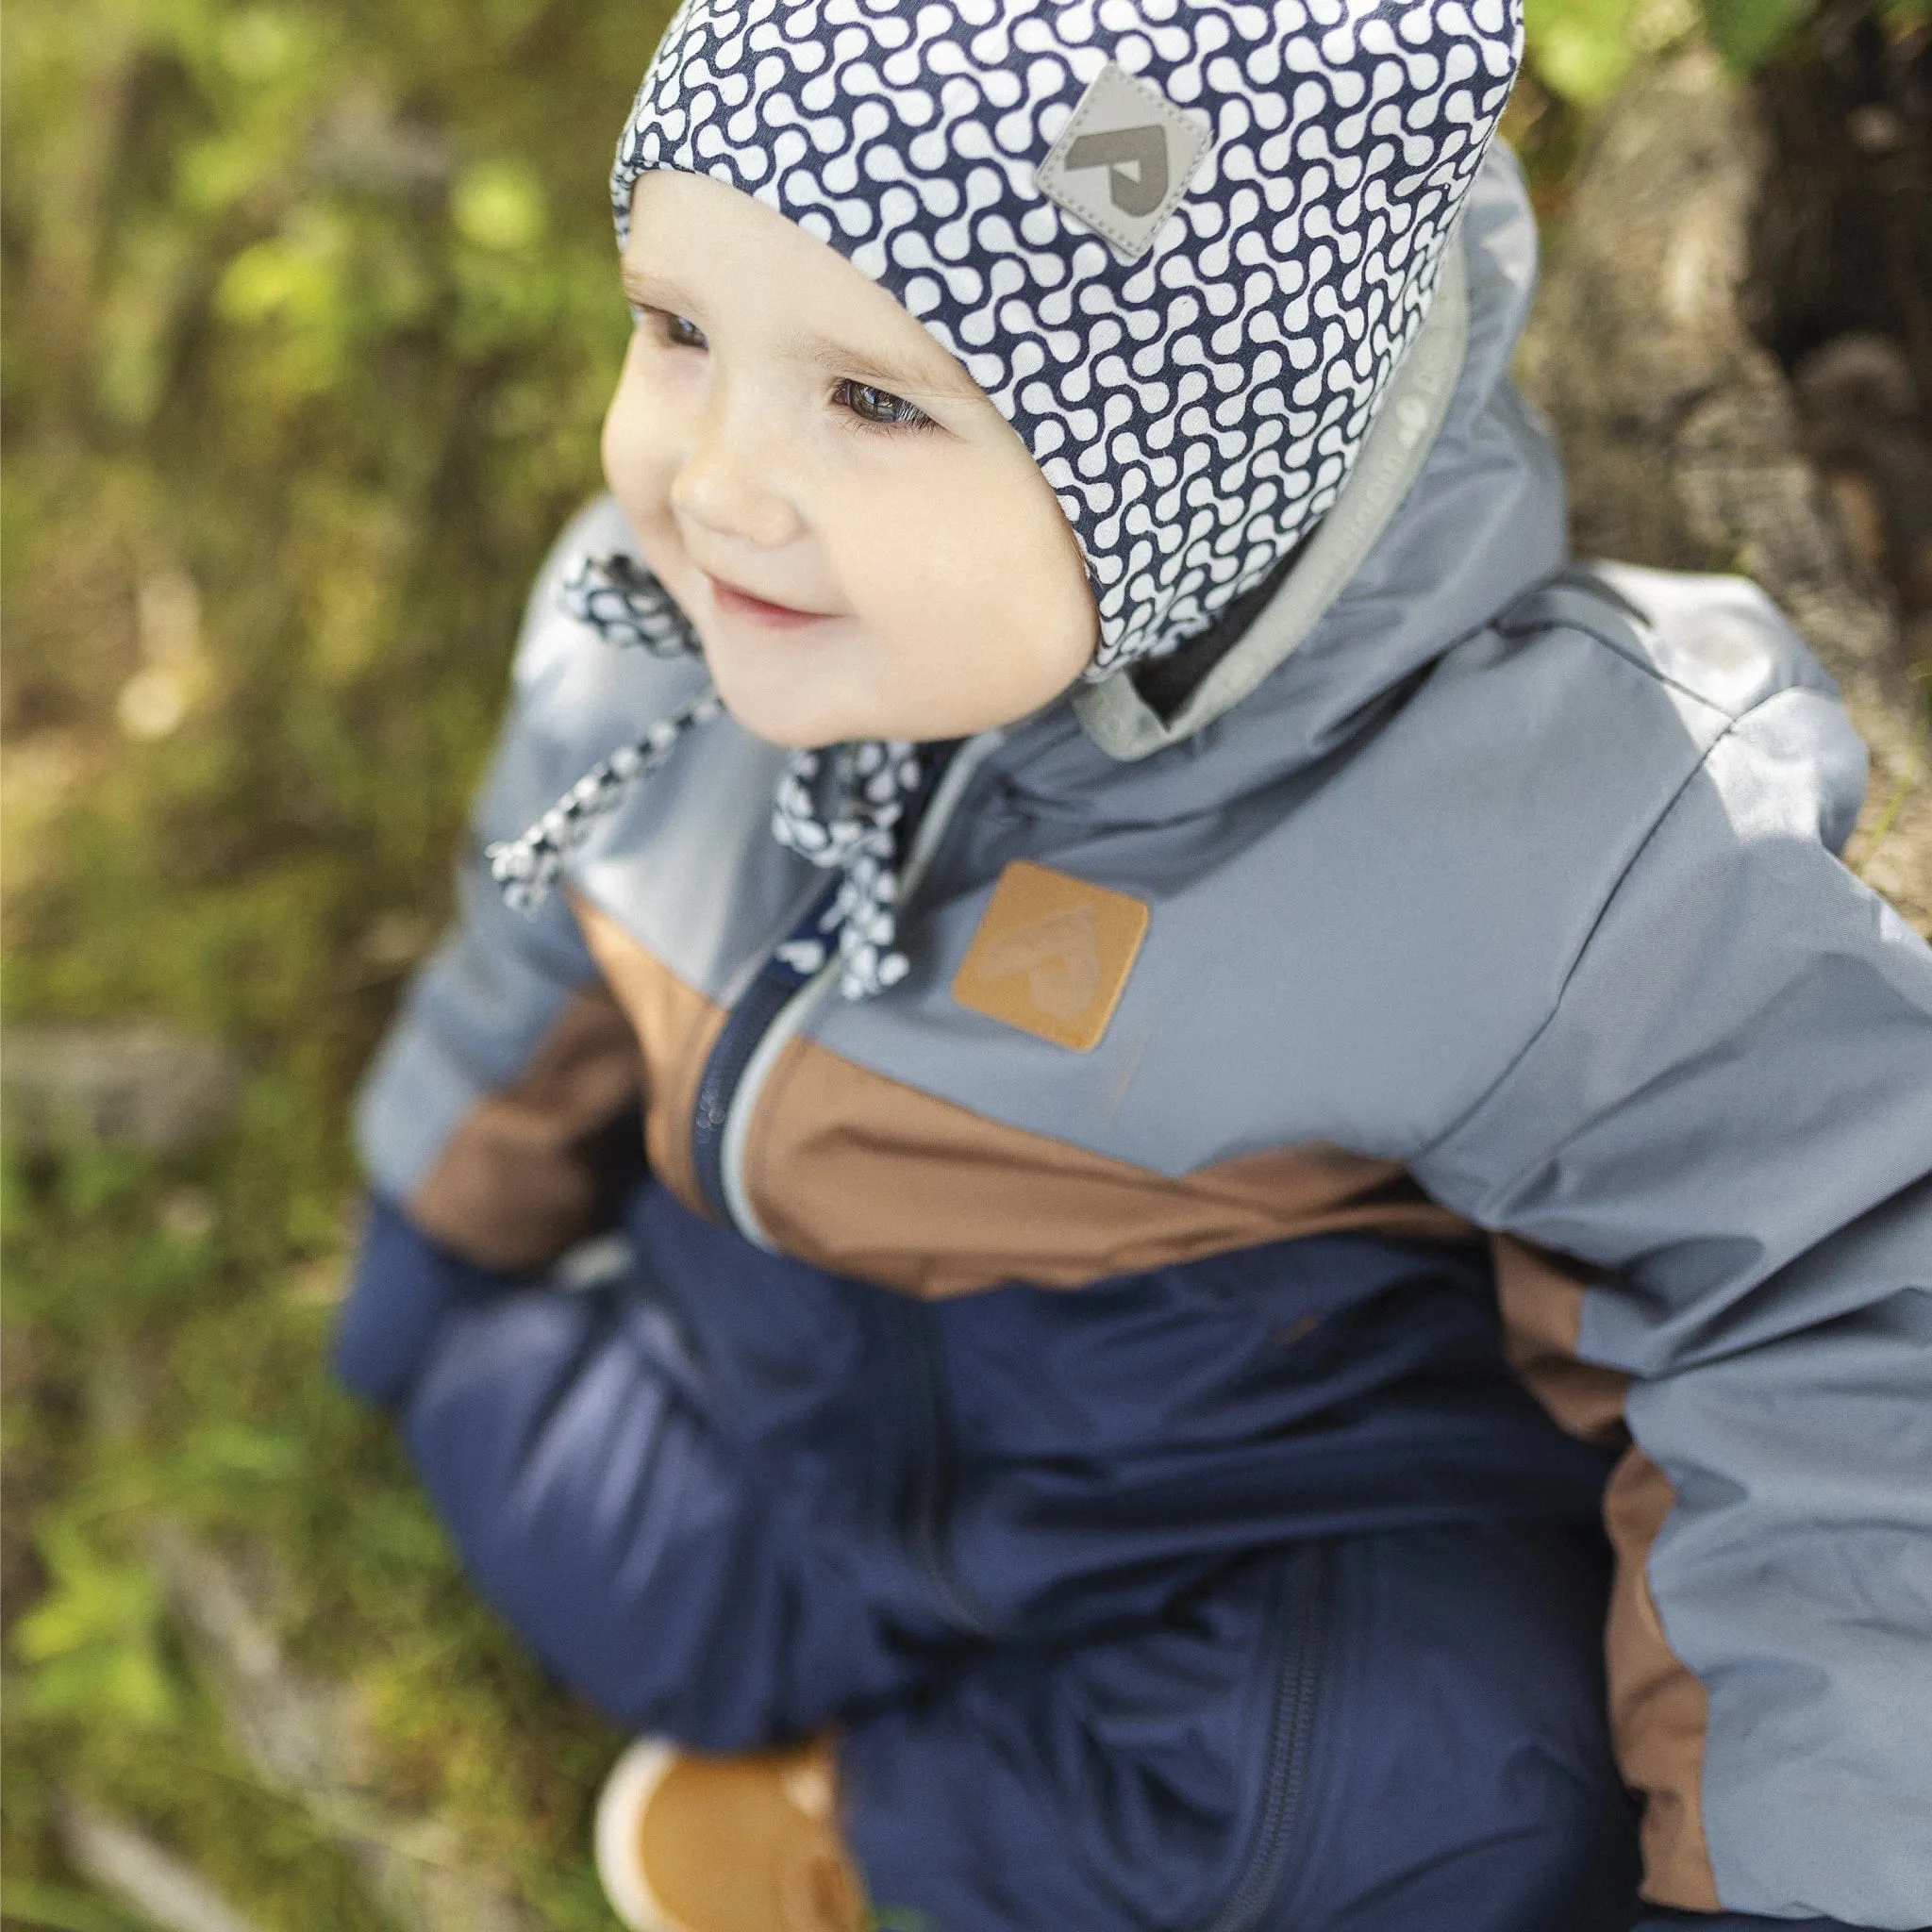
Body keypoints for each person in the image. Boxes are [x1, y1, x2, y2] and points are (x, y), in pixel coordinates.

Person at [331, 2, 1932, 1928]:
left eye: (876, 399)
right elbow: (538, 933)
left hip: (1223, 1520)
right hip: (784, 1405)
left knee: (1437, 1798)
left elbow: (1824, 1307)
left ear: (1197, 462)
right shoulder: (674, 619)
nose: (716, 483)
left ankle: (889, 1813)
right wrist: (435, 1234)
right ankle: (772, 1676)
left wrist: (1795, 1890)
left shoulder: (1536, 834)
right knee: (585, 1521)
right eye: (677, 329)